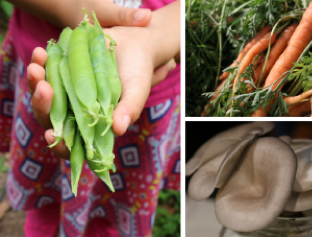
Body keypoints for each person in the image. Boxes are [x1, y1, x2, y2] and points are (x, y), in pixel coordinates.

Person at [0, 0, 181, 236]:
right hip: (47, 67)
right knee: (45, 196)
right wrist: (68, 7)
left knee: (112, 205)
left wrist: (163, 33)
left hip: (150, 81)